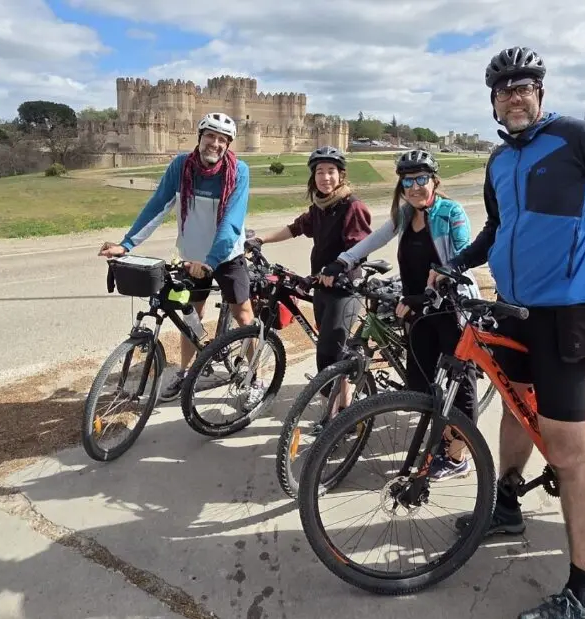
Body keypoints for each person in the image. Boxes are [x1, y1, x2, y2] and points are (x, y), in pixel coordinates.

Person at [430, 46, 585, 619]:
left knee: (568, 449)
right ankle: (506, 503)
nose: (515, 96)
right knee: (514, 405)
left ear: (541, 94)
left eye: (524, 87)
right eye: (504, 91)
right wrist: (456, 265)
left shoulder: (578, 138)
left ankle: (583, 592)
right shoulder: (499, 161)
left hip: (567, 312)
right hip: (515, 307)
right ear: (494, 104)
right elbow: (497, 230)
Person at [319, 149, 481, 480]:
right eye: (408, 180)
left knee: (459, 386)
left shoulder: (451, 212)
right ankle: (434, 437)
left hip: (451, 310)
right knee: (419, 386)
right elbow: (371, 241)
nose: (415, 186)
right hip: (418, 313)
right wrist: (343, 261)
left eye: (422, 179)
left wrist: (432, 291)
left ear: (434, 180)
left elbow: (462, 255)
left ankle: (457, 456)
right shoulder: (405, 215)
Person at [98, 112, 259, 404]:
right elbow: (158, 205)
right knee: (189, 316)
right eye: (210, 136)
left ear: (228, 145)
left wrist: (210, 261)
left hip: (226, 256)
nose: (215, 144)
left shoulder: (239, 171)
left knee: (243, 315)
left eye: (223, 140)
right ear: (200, 138)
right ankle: (185, 372)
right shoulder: (181, 167)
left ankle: (254, 378)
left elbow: (232, 221)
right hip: (192, 255)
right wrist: (127, 244)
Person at [248, 146, 372, 410]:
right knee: (325, 352)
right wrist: (261, 239)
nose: (325, 177)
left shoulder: (353, 206)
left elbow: (360, 248)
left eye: (331, 171)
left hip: (345, 290)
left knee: (334, 354)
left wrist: (337, 270)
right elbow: (295, 228)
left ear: (341, 175)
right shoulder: (320, 207)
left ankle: (342, 417)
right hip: (322, 287)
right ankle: (335, 407)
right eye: (319, 172)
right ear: (313, 177)